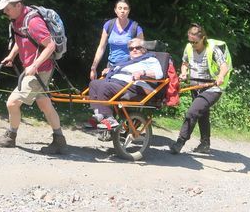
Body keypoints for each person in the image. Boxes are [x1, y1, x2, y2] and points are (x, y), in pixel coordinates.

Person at [0, 0, 67, 154]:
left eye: (8, 8)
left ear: (18, 5)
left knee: (12, 102)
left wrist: (34, 65)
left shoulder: (33, 22)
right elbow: (22, 38)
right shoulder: (18, 20)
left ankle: (10, 137)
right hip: (35, 69)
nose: (5, 11)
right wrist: (11, 56)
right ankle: (60, 140)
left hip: (40, 70)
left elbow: (51, 45)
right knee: (45, 104)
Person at [169, 23, 229, 154]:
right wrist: (184, 72)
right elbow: (185, 63)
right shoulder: (189, 48)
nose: (192, 44)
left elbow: (224, 66)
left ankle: (180, 142)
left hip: (212, 88)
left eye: (195, 42)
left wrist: (220, 76)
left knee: (192, 112)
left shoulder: (212, 49)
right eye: (190, 41)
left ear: (203, 38)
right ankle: (205, 144)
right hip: (195, 86)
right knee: (202, 114)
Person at [87, 38, 163, 129]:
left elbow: (159, 74)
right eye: (131, 48)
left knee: (105, 86)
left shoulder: (150, 59)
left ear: (144, 48)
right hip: (119, 83)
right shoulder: (126, 60)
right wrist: (110, 70)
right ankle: (99, 114)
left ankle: (109, 119)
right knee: (94, 83)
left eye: (137, 47)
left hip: (135, 87)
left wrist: (143, 72)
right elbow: (116, 69)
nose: (134, 50)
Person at [89, 0, 144, 81]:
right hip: (111, 66)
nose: (122, 11)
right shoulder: (109, 25)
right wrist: (93, 67)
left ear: (129, 11)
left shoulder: (135, 28)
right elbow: (101, 47)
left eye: (125, 8)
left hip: (128, 67)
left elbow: (141, 51)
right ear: (115, 10)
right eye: (120, 8)